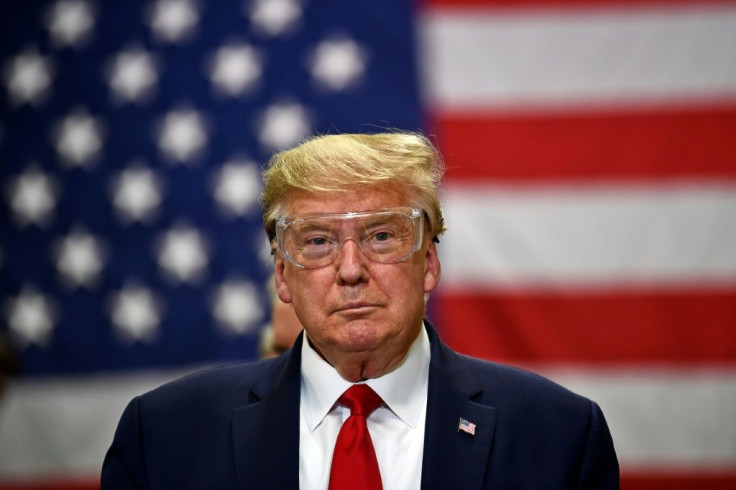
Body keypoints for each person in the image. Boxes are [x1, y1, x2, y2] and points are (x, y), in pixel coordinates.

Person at [101, 131, 619, 489]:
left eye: (382, 236)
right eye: (319, 240)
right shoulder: (165, 434)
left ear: (430, 263)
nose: (351, 269)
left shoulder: (559, 434)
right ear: (282, 274)